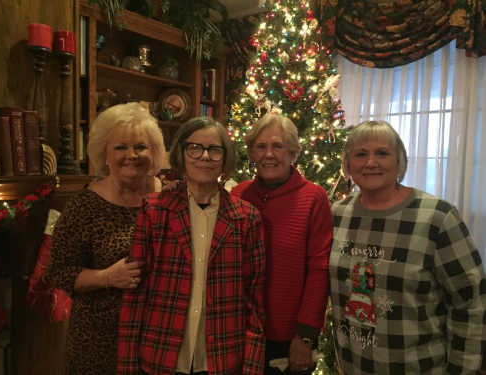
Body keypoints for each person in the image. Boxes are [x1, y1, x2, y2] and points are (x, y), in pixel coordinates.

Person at [329, 120, 486, 374]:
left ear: (399, 161)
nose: (371, 162)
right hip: (353, 366)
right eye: (360, 154)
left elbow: (471, 302)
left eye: (382, 152)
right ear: (348, 165)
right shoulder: (337, 214)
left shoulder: (437, 217)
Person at [117, 117, 266, 375]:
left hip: (222, 359)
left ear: (225, 158)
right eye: (194, 148)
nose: (204, 157)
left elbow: (254, 301)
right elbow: (136, 292)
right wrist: (128, 366)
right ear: (182, 154)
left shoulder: (246, 217)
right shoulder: (154, 209)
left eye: (214, 149)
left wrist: (252, 367)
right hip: (162, 355)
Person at [48, 102, 166, 375]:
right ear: (105, 153)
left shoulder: (170, 196)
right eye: (120, 147)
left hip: (161, 337)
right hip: (99, 343)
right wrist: (107, 277)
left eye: (141, 146)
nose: (132, 155)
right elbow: (59, 272)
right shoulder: (83, 206)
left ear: (154, 152)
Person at [230, 114, 333, 374]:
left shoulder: (313, 197)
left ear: (293, 153)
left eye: (277, 146)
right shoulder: (238, 195)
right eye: (261, 147)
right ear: (252, 153)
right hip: (239, 329)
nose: (269, 155)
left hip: (291, 337)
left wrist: (306, 335)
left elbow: (320, 270)